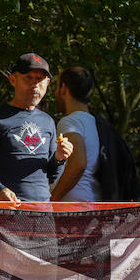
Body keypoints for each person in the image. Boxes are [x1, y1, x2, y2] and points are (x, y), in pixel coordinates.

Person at [0, 53, 73, 202]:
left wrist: (60, 158)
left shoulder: (48, 121)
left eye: (39, 79)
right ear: (13, 80)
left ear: (48, 83)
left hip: (43, 213)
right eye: (28, 77)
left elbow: (51, 176)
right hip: (8, 213)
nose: (35, 84)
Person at [51, 67, 102, 202]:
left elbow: (78, 163)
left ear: (63, 89)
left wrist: (52, 201)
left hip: (73, 209)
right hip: (91, 203)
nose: (55, 93)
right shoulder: (95, 123)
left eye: (56, 87)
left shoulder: (70, 121)